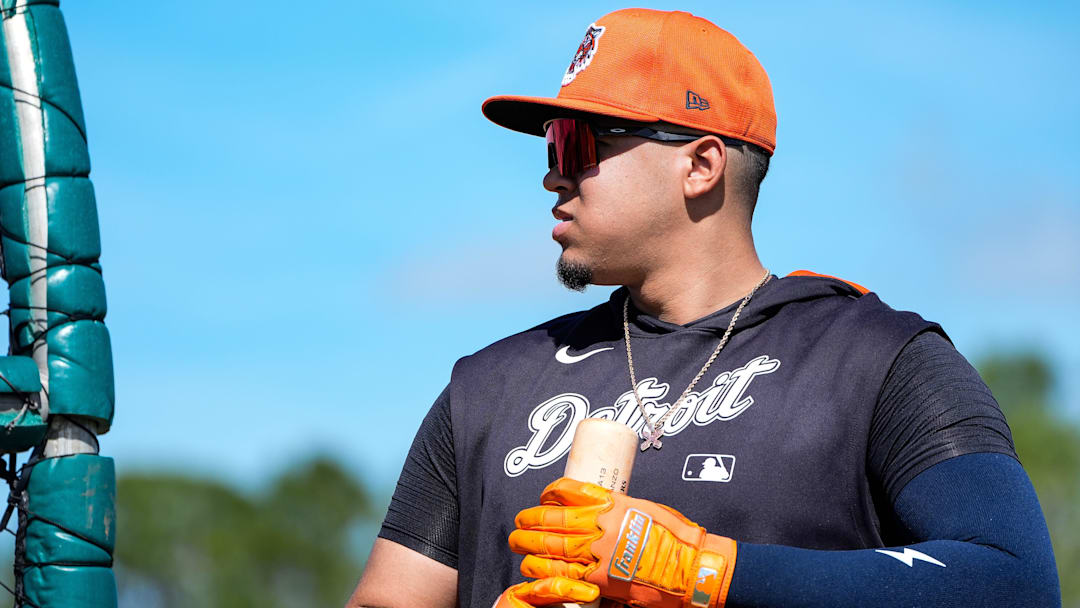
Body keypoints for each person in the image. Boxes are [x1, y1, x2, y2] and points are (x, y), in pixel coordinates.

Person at [348, 8, 1060, 608]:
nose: (551, 173)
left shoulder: (876, 360)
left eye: (578, 142)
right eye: (550, 143)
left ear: (701, 165)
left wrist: (707, 570)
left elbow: (1015, 579)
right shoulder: (489, 387)